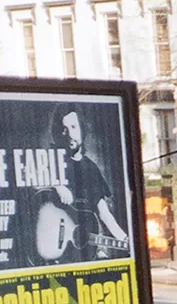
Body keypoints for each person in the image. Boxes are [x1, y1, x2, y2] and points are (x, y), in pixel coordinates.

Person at [51, 106, 129, 255]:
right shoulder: (50, 159)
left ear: (82, 130)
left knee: (101, 258)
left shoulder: (91, 168)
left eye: (73, 127)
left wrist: (124, 239)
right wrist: (57, 185)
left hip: (84, 244)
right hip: (55, 243)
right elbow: (28, 180)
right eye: (63, 128)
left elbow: (104, 213)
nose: (68, 134)